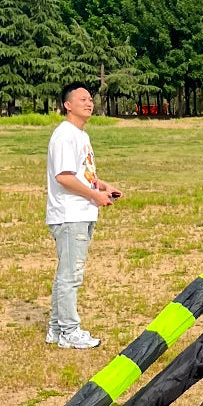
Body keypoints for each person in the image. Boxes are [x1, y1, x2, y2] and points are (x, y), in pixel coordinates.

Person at [46, 83, 121, 349]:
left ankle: (56, 329)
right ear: (68, 105)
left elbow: (83, 174)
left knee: (66, 273)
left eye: (90, 99)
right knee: (71, 276)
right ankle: (69, 331)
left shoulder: (81, 136)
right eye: (82, 99)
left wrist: (102, 186)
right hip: (69, 215)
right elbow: (63, 177)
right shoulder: (65, 135)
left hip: (81, 212)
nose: (89, 103)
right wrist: (94, 197)